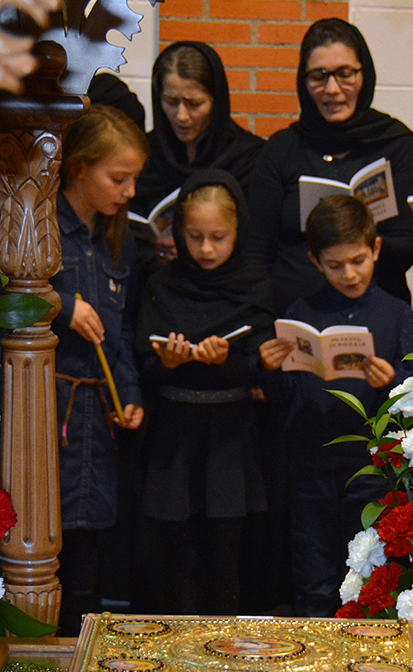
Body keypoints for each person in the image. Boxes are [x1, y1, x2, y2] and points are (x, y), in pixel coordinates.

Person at [258, 196, 413, 617]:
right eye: (334, 265)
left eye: (358, 261)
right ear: (315, 262)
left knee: (370, 574)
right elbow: (283, 398)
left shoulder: (396, 312)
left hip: (370, 469)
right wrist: (270, 370)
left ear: (376, 249)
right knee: (313, 578)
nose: (349, 274)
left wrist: (393, 381)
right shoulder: (301, 313)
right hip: (311, 466)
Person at [131, 170, 273, 614]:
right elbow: (143, 361)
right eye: (194, 237)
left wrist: (225, 361)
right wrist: (168, 362)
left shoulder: (254, 283)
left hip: (231, 433)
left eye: (218, 237)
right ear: (178, 232)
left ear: (238, 232)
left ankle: (226, 644)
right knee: (174, 552)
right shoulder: (162, 283)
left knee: (225, 549)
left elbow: (263, 367)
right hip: (173, 433)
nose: (206, 249)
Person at [245, 18, 413, 312]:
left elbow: (407, 247)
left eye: (345, 74)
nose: (332, 89)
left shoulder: (398, 146)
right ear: (303, 81)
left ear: (364, 74)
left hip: (376, 313)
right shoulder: (282, 149)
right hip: (294, 313)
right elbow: (257, 251)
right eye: (318, 76)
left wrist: (357, 242)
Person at [51, 105, 148, 634]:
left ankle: (81, 651)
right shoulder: (42, 225)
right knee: (51, 535)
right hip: (52, 407)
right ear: (79, 168)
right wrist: (62, 306)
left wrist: (129, 393)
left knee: (90, 543)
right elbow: (6, 295)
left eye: (134, 179)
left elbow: (121, 331)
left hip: (98, 410)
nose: (129, 192)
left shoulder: (117, 238)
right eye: (118, 178)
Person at [135, 40, 265, 266]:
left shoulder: (248, 157)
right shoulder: (143, 153)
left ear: (216, 101)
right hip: (154, 278)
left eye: (194, 104)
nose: (181, 116)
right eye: (171, 102)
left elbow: (258, 242)